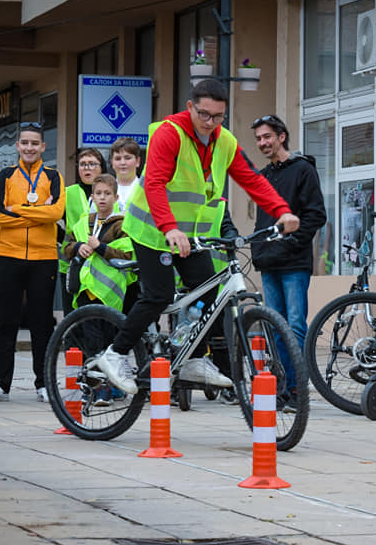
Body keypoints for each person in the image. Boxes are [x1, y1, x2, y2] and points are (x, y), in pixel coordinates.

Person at [96, 79, 299, 394]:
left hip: (187, 236)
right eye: (204, 114)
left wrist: (282, 210)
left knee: (212, 293)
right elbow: (155, 184)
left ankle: (192, 358)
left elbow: (252, 180)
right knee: (159, 295)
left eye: (218, 116)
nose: (210, 123)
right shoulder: (169, 134)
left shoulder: (225, 141)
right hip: (151, 229)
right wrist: (169, 228)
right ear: (190, 107)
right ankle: (115, 353)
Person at [0, 122, 66, 403]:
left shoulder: (53, 176)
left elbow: (56, 212)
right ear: (17, 146)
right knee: (6, 322)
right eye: (24, 143)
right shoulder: (4, 176)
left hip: (44, 258)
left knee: (42, 324)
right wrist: (37, 211)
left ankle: (44, 384)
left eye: (34, 143)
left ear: (43, 146)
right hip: (7, 256)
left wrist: (19, 209)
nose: (29, 147)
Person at [250, 113, 327, 403]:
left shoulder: (302, 169)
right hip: (268, 261)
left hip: (294, 262)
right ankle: (282, 387)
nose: (263, 143)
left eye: (267, 136)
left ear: (282, 137)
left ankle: (297, 388)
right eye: (259, 138)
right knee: (275, 325)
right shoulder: (264, 175)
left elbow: (316, 214)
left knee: (294, 324)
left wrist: (293, 240)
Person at [62, 173, 136, 313]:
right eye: (98, 193)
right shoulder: (83, 223)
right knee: (88, 329)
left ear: (116, 198)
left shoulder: (121, 225)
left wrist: (99, 247)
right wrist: (79, 246)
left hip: (109, 288)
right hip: (85, 287)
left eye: (107, 193)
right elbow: (67, 249)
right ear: (92, 197)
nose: (102, 197)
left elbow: (126, 256)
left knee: (108, 330)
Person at [60, 148, 107, 314]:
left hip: (103, 265)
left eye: (92, 164)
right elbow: (51, 221)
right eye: (82, 164)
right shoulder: (68, 193)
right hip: (73, 262)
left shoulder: (111, 192)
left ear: (102, 167)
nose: (87, 168)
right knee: (73, 317)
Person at [109, 137, 143, 213]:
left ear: (138, 161)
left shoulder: (146, 190)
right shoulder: (103, 190)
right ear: (112, 163)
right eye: (118, 159)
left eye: (128, 158)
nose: (123, 163)